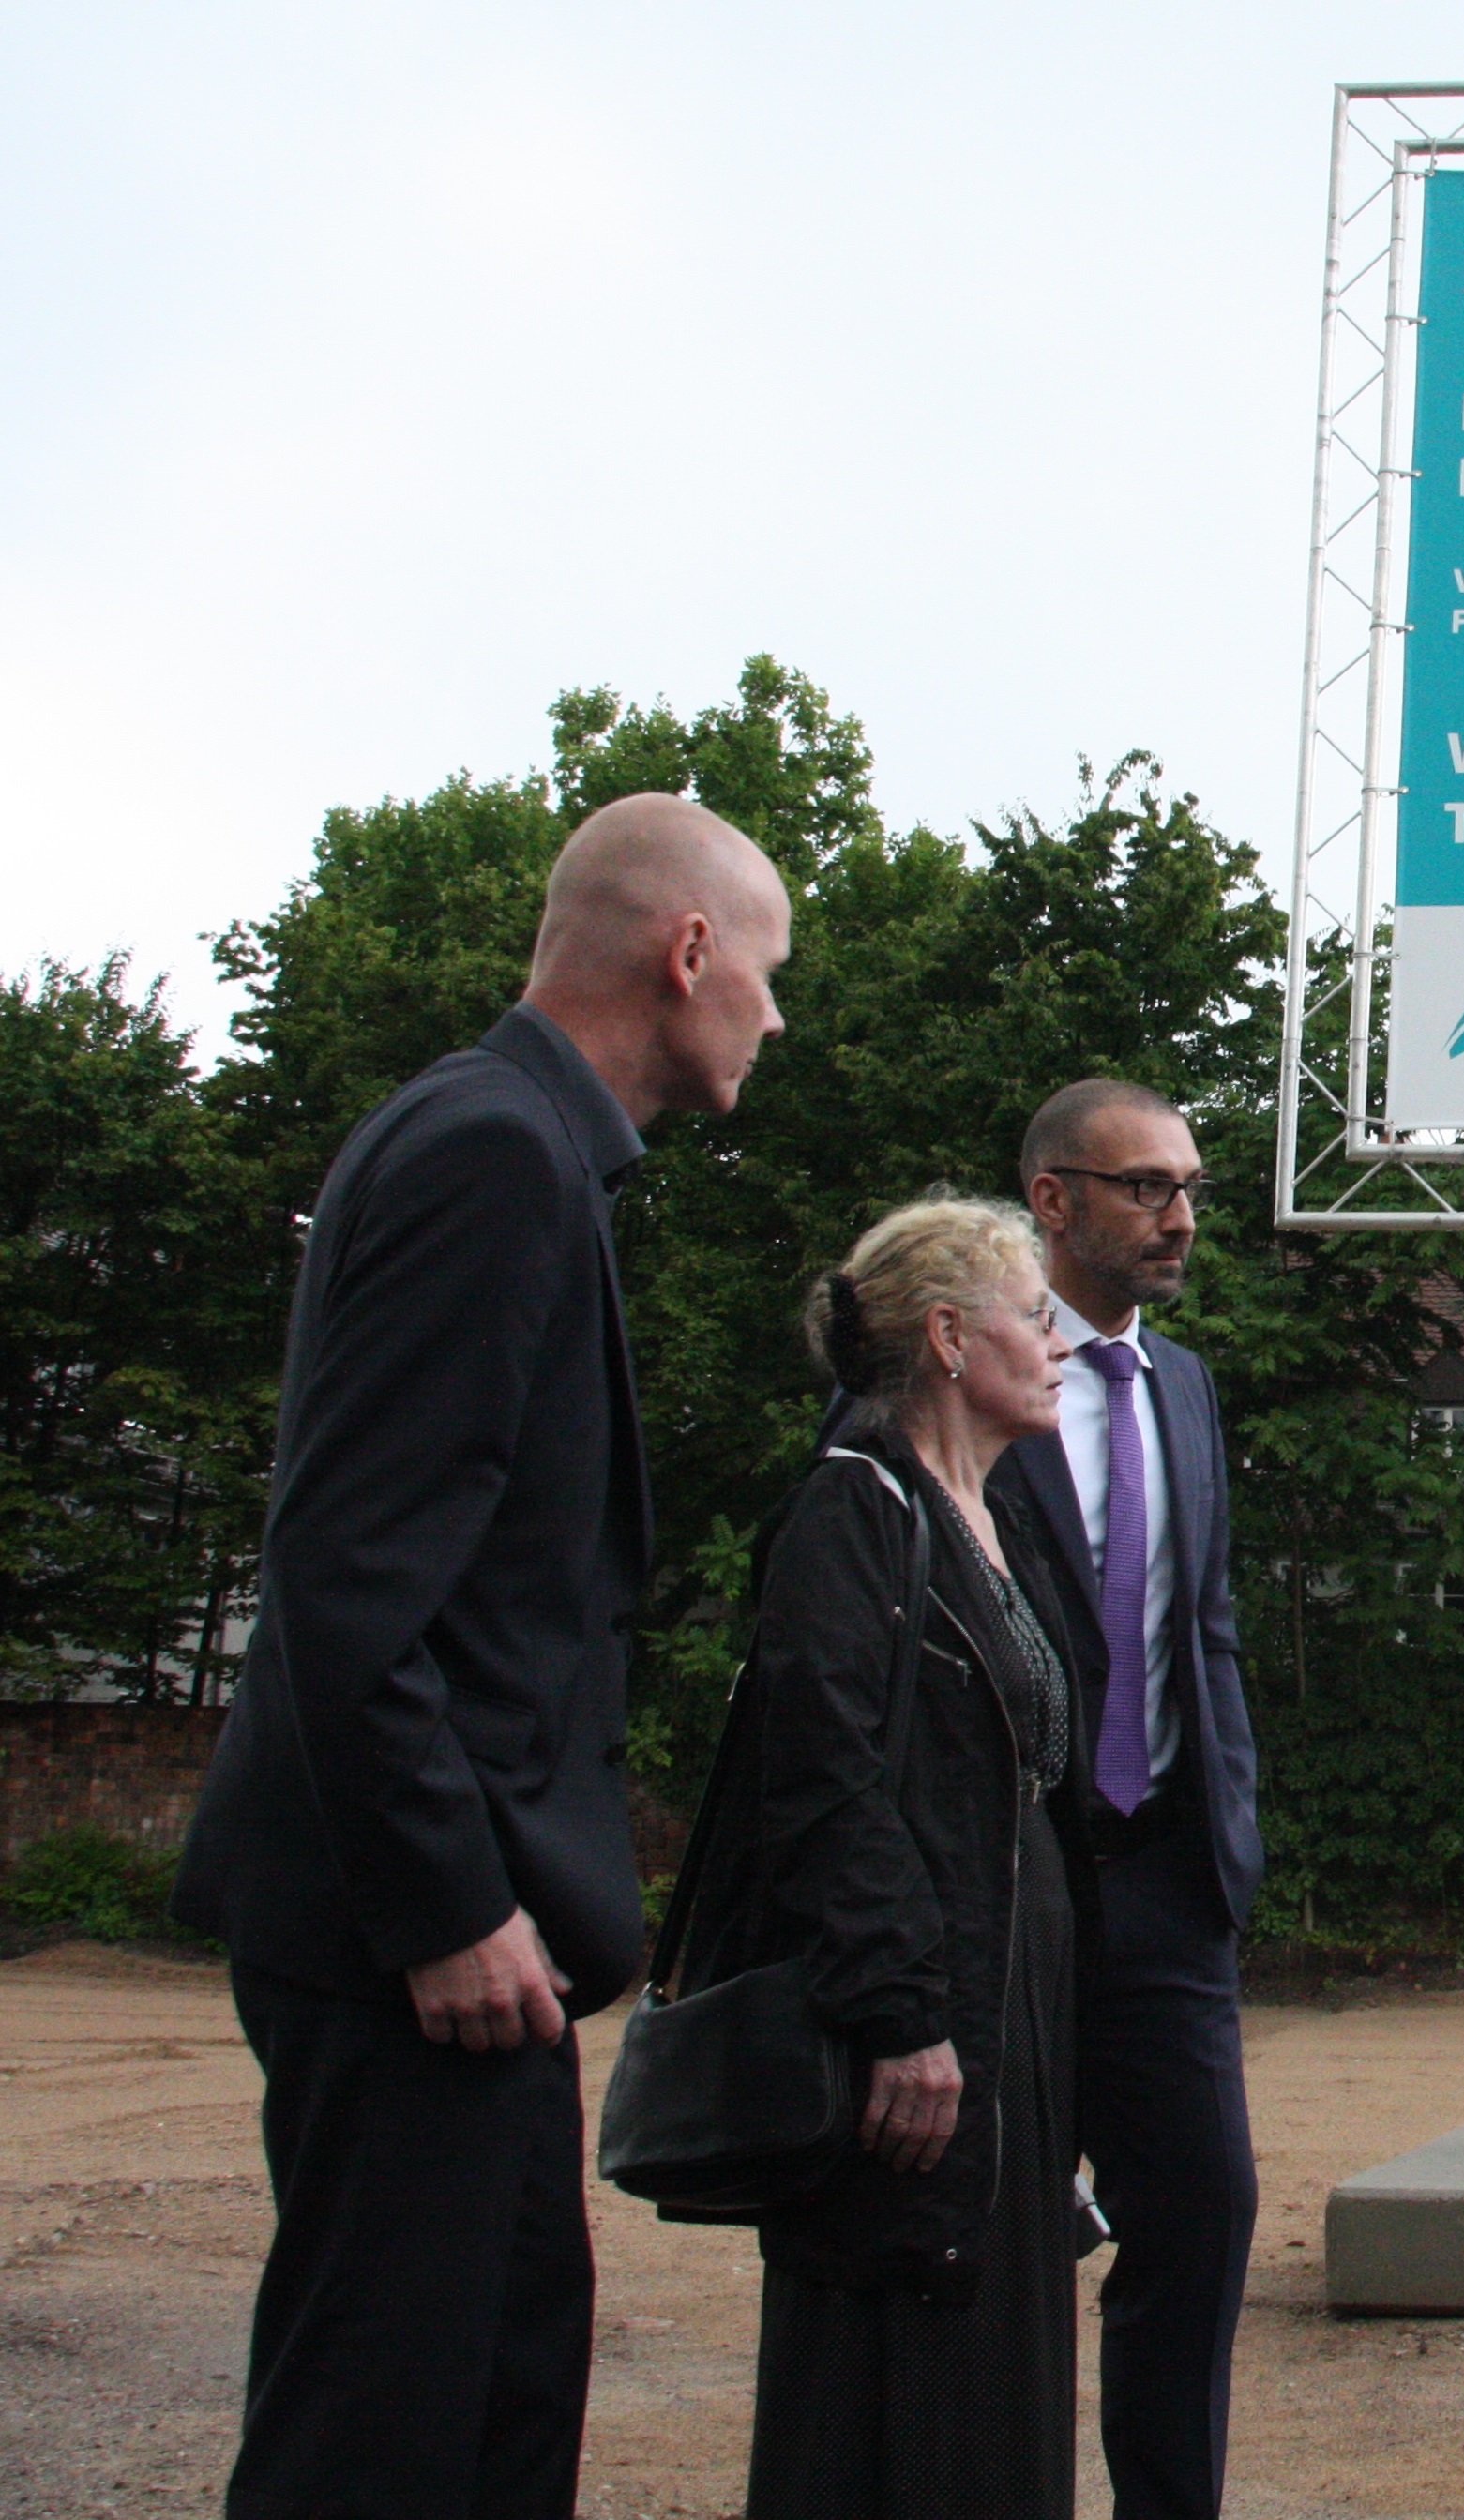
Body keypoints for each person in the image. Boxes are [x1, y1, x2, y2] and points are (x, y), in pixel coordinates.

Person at [171, 792, 791, 2519]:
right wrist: (444, 1903)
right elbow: (349, 1575)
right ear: (685, 953)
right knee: (390, 2430)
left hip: (438, 1935)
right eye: (767, 965)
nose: (775, 1009)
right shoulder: (491, 1151)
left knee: (494, 2393)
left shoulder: (496, 1135)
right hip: (411, 1942)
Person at [690, 1195, 1086, 2518]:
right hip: (916, 2012)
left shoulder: (991, 1517)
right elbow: (822, 1785)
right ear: (948, 1337)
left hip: (1007, 1999)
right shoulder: (853, 1510)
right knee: (897, 2362)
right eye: (1036, 1316)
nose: (1062, 1341)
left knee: (994, 2357)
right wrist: (901, 2012)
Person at [998, 1079, 1261, 2520]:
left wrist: (1231, 1817)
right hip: (1012, 1877)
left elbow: (1195, 1614)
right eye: (1146, 1185)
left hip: (1165, 1876)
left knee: (1202, 2212)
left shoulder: (1185, 1384)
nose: (1178, 1216)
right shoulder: (962, 1368)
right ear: (1053, 1199)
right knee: (1001, 2232)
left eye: (1189, 1186)